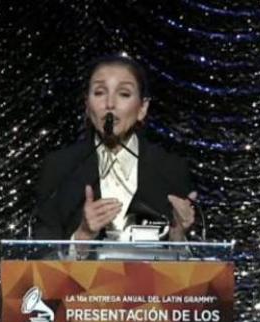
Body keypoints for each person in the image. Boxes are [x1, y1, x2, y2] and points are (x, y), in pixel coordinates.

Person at [34, 55, 196, 246]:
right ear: (87, 105)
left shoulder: (170, 169)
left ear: (142, 108)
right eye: (100, 92)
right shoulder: (60, 167)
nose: (110, 104)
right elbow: (40, 254)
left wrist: (178, 234)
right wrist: (82, 237)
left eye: (124, 94)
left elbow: (196, 264)